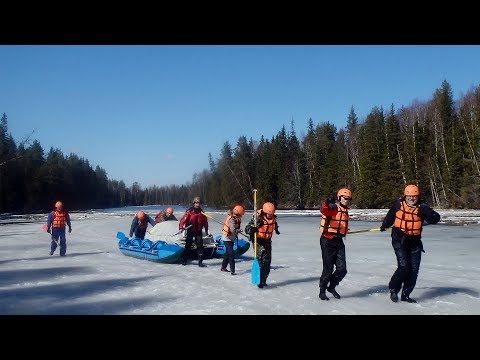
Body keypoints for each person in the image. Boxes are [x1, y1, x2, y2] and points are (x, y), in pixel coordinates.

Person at [380, 184, 440, 303]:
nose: (412, 199)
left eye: (414, 196)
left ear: (418, 196)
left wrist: (428, 212)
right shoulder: (398, 204)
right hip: (399, 239)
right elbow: (390, 217)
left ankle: (406, 295)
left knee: (414, 269)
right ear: (405, 196)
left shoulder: (422, 207)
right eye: (409, 196)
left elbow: (435, 218)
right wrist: (384, 225)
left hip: (414, 242)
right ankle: (393, 289)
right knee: (404, 267)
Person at [318, 188, 352, 300]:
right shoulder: (333, 207)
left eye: (348, 199)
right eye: (344, 198)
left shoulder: (345, 210)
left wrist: (344, 229)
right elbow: (325, 210)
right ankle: (322, 290)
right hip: (327, 241)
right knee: (328, 269)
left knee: (342, 269)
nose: (346, 200)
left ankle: (331, 287)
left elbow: (340, 223)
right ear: (339, 198)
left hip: (338, 241)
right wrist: (326, 203)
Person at [245, 202, 280, 288]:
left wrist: (276, 229)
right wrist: (252, 229)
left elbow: (273, 223)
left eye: (271, 214)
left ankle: (264, 280)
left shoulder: (272, 218)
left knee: (267, 263)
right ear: (264, 212)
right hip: (258, 242)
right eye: (269, 214)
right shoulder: (257, 218)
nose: (270, 216)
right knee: (260, 262)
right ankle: (259, 281)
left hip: (267, 241)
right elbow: (247, 229)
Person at [178, 197, 210, 267]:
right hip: (190, 230)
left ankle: (200, 262)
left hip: (198, 231)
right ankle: (184, 260)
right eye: (196, 203)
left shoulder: (201, 212)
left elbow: (205, 222)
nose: (197, 204)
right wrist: (181, 227)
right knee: (188, 246)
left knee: (200, 246)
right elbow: (183, 220)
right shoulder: (189, 211)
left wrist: (206, 230)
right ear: (194, 203)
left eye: (198, 203)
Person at [220, 204, 245, 275]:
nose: (241, 216)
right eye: (240, 215)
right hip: (227, 238)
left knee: (227, 253)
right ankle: (232, 270)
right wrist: (238, 230)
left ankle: (223, 267)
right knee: (231, 253)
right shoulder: (232, 219)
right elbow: (233, 230)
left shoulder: (235, 217)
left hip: (231, 238)